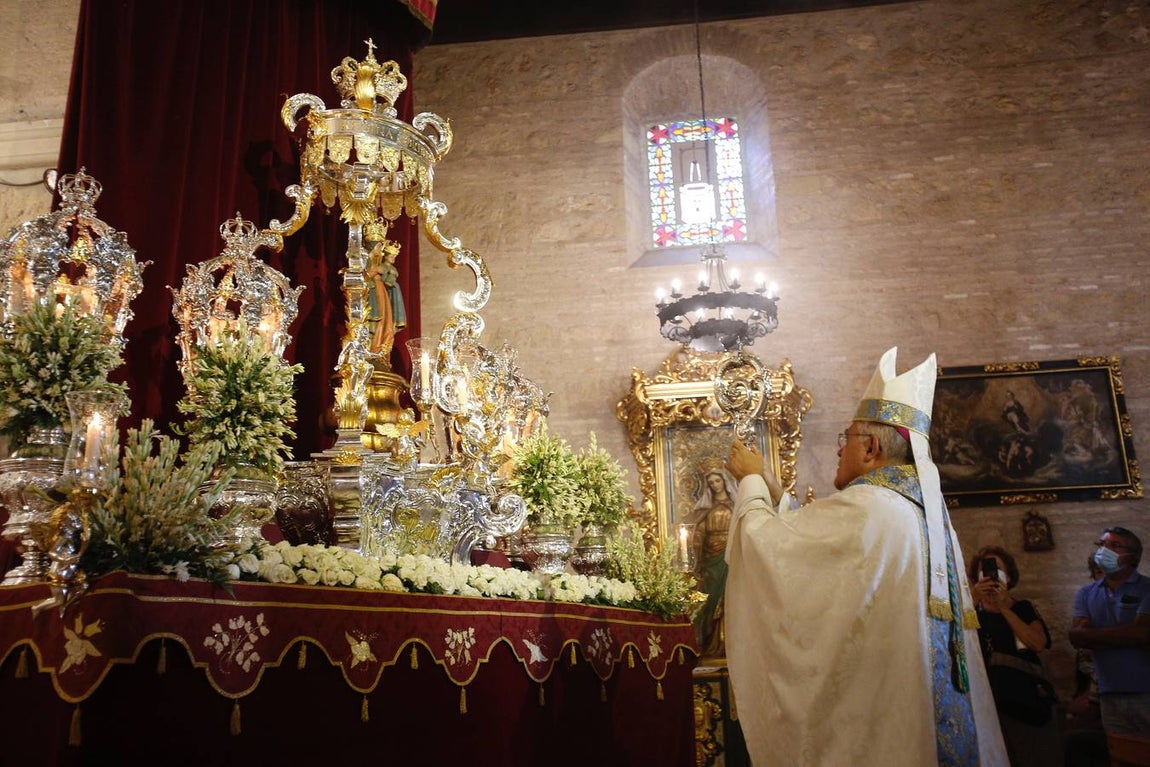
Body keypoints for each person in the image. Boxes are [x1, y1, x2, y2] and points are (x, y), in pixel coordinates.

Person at [724, 347, 1007, 766]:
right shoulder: (915, 511)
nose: (839, 450)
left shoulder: (871, 504)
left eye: (846, 439)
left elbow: (772, 552)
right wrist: (772, 485)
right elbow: (821, 552)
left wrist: (749, 481)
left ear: (871, 447)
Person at [967, 546, 1062, 767]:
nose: (991, 575)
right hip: (989, 702)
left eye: (997, 569)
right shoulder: (972, 613)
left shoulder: (1023, 608)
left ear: (1008, 577)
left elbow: (1037, 643)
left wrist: (1004, 608)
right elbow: (956, 642)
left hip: (1026, 699)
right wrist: (971, 600)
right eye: (985, 571)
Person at [1069, 526, 1150, 736]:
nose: (1105, 550)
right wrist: (1126, 636)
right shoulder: (1086, 594)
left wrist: (1095, 637)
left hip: (1145, 690)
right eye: (1102, 544)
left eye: (1115, 545)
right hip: (1109, 692)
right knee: (1121, 754)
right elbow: (1076, 636)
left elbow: (1142, 633)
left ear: (1133, 557)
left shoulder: (1146, 588)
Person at [682, 459, 738, 658]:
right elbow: (699, 535)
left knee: (733, 598)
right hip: (712, 559)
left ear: (724, 481)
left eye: (717, 480)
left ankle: (734, 644)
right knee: (712, 599)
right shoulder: (705, 511)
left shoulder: (735, 506)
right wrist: (694, 555)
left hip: (733, 556)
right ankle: (713, 644)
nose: (715, 485)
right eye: (711, 482)